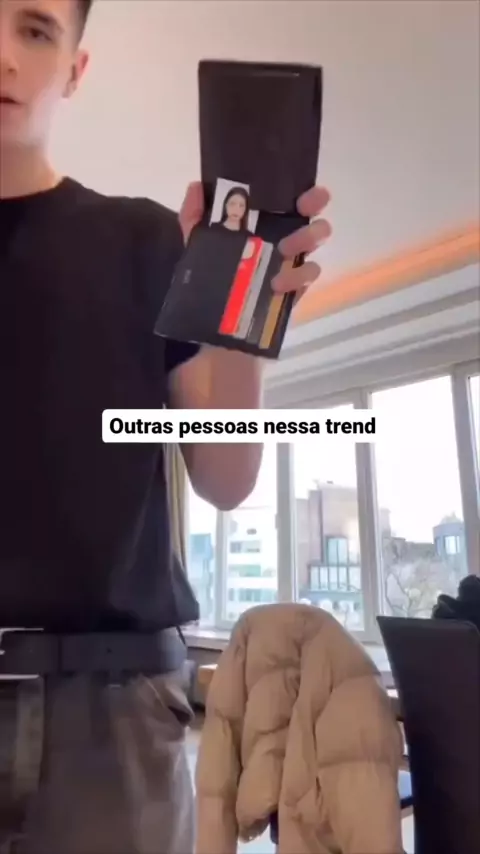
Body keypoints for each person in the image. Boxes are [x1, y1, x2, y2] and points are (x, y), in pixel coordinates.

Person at [0, 1, 332, 852]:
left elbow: (226, 477)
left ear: (74, 68)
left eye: (34, 29)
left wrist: (244, 327)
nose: (4, 55)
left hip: (110, 713)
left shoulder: (142, 239)